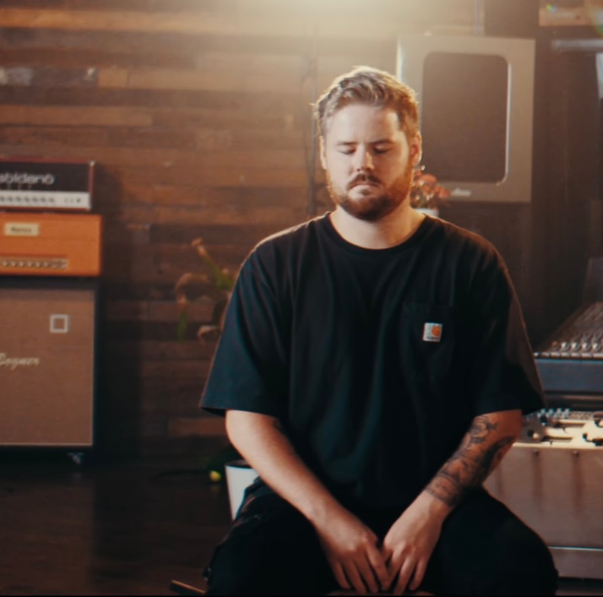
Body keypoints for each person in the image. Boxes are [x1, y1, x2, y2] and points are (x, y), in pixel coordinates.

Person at [199, 67, 554, 595]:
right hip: (305, 505)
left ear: (414, 150)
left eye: (381, 148)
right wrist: (330, 521)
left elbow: (498, 419)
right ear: (324, 155)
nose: (362, 163)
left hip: (432, 502)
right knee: (241, 581)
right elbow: (247, 420)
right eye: (345, 149)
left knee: (519, 572)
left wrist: (428, 515)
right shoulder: (275, 266)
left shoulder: (469, 263)